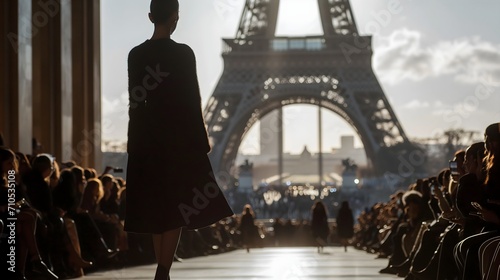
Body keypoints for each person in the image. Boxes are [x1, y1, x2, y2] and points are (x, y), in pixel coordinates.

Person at [124, 1, 233, 279]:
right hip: (178, 141)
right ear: (176, 18)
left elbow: (135, 103)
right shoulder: (184, 54)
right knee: (175, 206)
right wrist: (201, 141)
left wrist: (133, 145)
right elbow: (192, 99)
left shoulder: (136, 55)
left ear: (150, 17)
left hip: (148, 140)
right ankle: (164, 269)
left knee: (155, 206)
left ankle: (162, 270)